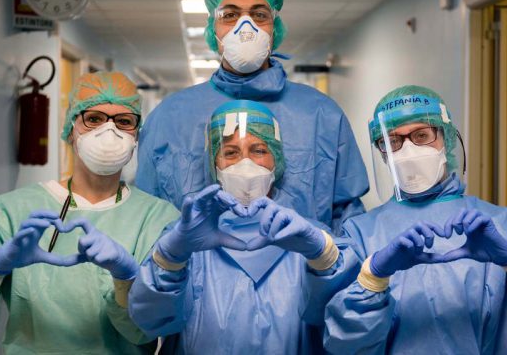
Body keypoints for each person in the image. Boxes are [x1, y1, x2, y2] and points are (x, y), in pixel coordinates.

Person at [322, 85, 507, 354]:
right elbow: (342, 346)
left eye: (421, 135)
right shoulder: (359, 232)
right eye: (394, 141)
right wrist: (373, 278)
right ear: (382, 152)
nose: (408, 150)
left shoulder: (500, 225)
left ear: (446, 139)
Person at [0, 72, 179, 354]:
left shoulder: (157, 217)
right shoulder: (13, 210)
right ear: (71, 128)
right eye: (93, 119)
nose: (109, 131)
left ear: (136, 136)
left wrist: (125, 280)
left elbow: (150, 329)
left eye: (124, 121)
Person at [135, 0, 368, 232]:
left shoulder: (321, 114)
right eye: (230, 15)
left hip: (302, 267)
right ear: (213, 27)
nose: (245, 28)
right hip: (193, 269)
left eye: (259, 15)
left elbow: (347, 219)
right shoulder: (169, 117)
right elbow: (150, 218)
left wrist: (325, 260)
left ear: (274, 27)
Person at [129, 100, 359, 354]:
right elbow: (150, 321)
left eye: (259, 150)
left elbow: (346, 324)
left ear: (277, 159)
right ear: (213, 164)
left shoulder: (308, 236)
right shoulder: (186, 237)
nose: (245, 163)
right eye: (230, 153)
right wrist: (169, 259)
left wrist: (323, 257)